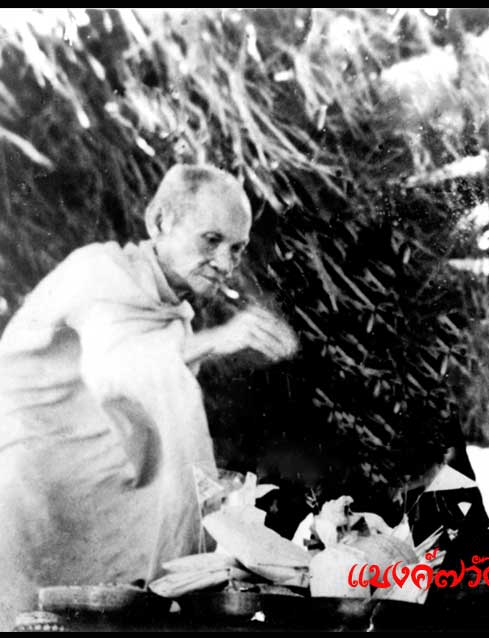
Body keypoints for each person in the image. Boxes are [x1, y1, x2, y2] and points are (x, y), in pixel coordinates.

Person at [0, 164, 298, 627]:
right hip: (30, 480)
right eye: (211, 240)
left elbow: (153, 396)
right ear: (160, 221)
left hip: (91, 484)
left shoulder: (172, 314)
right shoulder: (100, 271)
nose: (224, 263)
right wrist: (217, 340)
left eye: (236, 249)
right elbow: (118, 369)